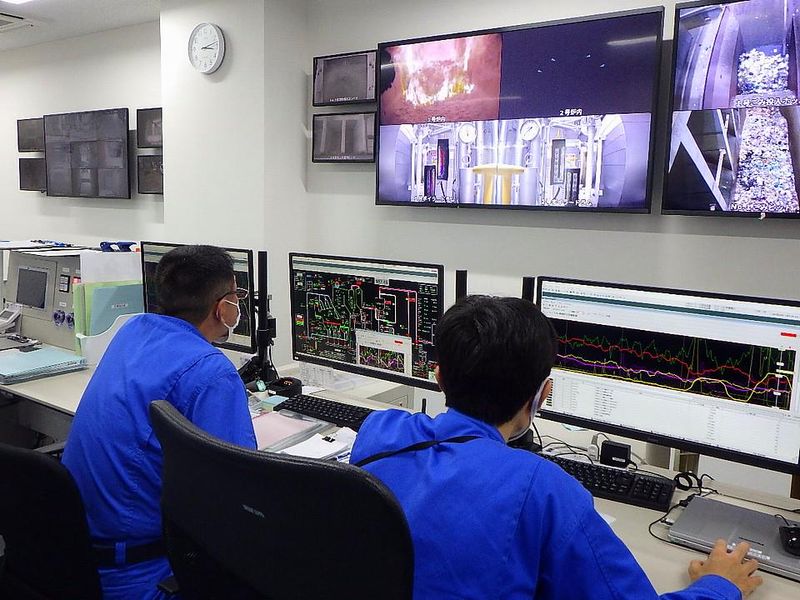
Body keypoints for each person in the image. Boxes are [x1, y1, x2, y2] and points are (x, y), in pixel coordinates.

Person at [350, 296, 763, 599]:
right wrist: (719, 584)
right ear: (542, 396)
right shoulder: (543, 488)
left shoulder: (379, 431)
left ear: (438, 378)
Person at [63, 245, 257, 600]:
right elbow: (241, 489)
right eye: (236, 295)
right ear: (222, 307)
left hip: (73, 558)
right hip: (140, 576)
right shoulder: (210, 371)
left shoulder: (133, 330)